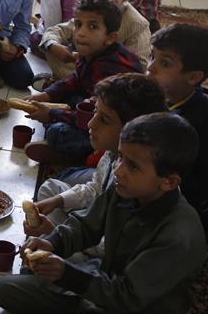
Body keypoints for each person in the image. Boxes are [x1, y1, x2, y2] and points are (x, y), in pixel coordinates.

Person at [0, 113, 207, 314]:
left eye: (133, 166)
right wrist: (52, 242)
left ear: (169, 181)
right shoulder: (126, 190)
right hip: (99, 284)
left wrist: (67, 275)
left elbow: (127, 295)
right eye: (120, 158)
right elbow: (86, 225)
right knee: (5, 290)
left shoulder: (179, 236)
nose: (117, 171)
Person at [27, 73, 168, 234]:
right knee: (50, 188)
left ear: (132, 129)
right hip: (94, 224)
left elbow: (108, 246)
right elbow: (95, 189)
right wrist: (59, 200)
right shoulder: (110, 154)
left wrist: (56, 234)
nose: (91, 123)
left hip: (102, 249)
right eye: (95, 112)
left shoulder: (135, 181)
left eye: (105, 120)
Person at [24, 0, 143, 164]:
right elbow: (76, 79)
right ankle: (59, 141)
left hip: (115, 130)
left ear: (110, 37)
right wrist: (48, 96)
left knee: (57, 132)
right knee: (62, 98)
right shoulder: (92, 52)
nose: (81, 33)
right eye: (78, 24)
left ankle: (73, 156)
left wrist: (51, 114)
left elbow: (94, 117)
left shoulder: (109, 68)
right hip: (96, 109)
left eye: (92, 26)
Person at [148, 23, 208, 233]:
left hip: (181, 202)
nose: (150, 67)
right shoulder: (160, 98)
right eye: (151, 56)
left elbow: (206, 186)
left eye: (164, 63)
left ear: (193, 77)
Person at [39, 0, 151, 82]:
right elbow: (56, 30)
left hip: (113, 80)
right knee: (50, 47)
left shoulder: (138, 25)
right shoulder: (90, 11)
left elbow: (138, 68)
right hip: (85, 68)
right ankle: (73, 83)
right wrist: (52, 45)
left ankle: (71, 84)